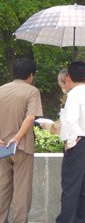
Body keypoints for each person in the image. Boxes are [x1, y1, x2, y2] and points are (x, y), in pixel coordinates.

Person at [55, 61, 85, 223]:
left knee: (70, 187)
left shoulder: (74, 95)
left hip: (78, 143)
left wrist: (70, 141)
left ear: (69, 77)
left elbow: (70, 120)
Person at [0, 56, 43, 223]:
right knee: (21, 190)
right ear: (31, 75)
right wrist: (17, 139)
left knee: (2, 187)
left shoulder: (1, 89)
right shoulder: (32, 91)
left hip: (2, 147)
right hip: (22, 147)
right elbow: (30, 118)